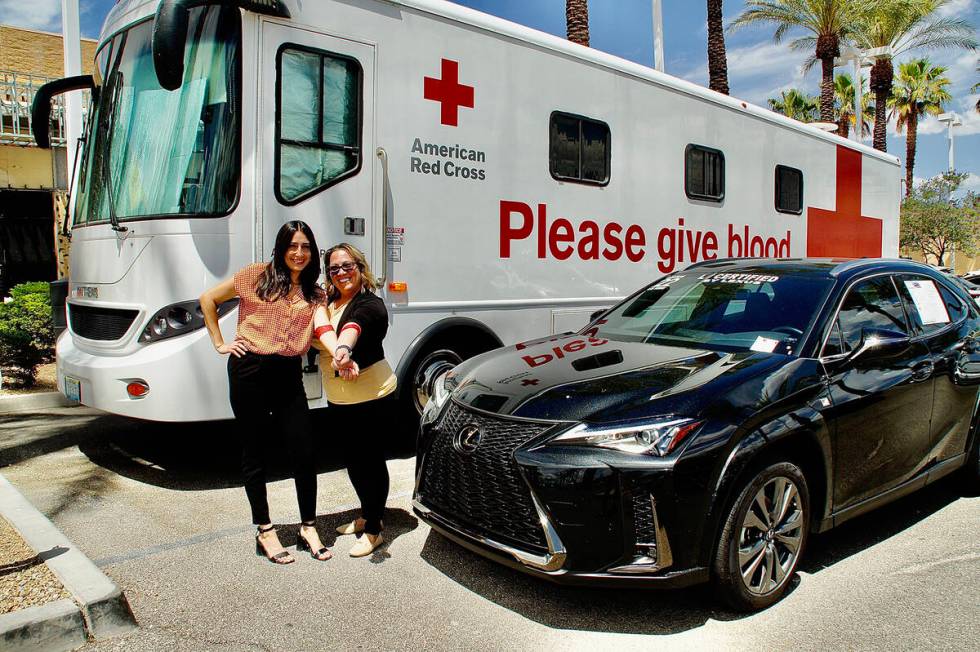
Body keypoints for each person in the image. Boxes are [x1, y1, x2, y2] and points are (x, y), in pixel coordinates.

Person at [200, 221, 331, 564]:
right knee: (255, 450)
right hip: (249, 369)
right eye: (292, 246)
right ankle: (265, 530)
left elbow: (323, 329)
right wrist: (219, 343)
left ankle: (308, 525)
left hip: (287, 372)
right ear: (281, 247)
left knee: (303, 447)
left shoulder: (316, 294)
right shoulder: (255, 276)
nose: (299, 253)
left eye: (305, 247)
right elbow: (209, 299)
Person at [313, 243, 396, 558]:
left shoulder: (370, 304)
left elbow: (352, 328)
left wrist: (343, 351)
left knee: (370, 460)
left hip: (372, 395)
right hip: (340, 397)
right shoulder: (329, 303)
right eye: (334, 269)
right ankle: (366, 512)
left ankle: (375, 528)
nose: (341, 273)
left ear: (360, 268)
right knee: (353, 460)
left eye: (347, 266)